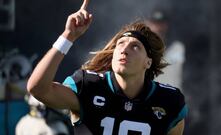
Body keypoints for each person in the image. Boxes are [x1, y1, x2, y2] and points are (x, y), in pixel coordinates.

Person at [27, 0, 187, 134]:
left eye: (135, 47)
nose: (124, 50)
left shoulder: (169, 102)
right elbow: (37, 89)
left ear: (148, 62)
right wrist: (68, 36)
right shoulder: (89, 85)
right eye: (121, 44)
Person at [145, 9, 186, 89]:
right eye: (155, 24)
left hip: (171, 97)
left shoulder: (177, 48)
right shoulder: (140, 48)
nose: (158, 28)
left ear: (166, 25)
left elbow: (183, 75)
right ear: (148, 24)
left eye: (161, 24)